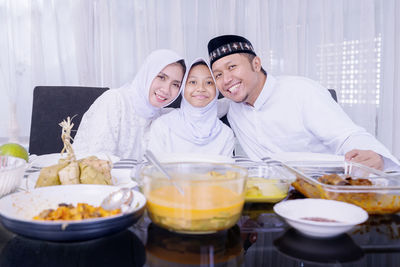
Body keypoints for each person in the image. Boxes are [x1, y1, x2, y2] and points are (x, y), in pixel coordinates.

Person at [207, 35, 400, 170]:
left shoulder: (301, 92)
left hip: (322, 189)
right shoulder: (232, 106)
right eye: (218, 75)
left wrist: (374, 156)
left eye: (232, 67)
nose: (226, 80)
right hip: (269, 196)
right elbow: (198, 110)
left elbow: (347, 135)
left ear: (256, 64)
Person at [73, 49, 186, 159]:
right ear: (147, 74)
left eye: (175, 84)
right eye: (161, 77)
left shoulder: (164, 116)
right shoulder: (114, 101)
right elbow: (96, 161)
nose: (166, 90)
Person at [147, 58, 235, 157]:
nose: (201, 88)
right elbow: (152, 169)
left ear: (217, 90)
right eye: (193, 82)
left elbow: (226, 172)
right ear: (183, 88)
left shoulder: (225, 134)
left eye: (209, 82)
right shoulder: (162, 126)